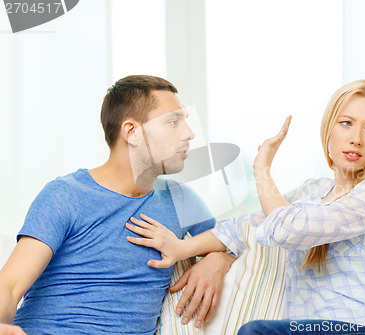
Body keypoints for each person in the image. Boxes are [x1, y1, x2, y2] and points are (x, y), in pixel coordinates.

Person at [124, 79, 365, 334]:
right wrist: (180, 248)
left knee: (257, 332)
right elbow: (245, 226)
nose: (356, 139)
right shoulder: (311, 193)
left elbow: (291, 228)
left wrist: (262, 168)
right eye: (347, 123)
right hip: (315, 327)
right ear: (329, 130)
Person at [0, 75, 235, 335]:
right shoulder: (66, 194)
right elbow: (10, 285)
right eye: (173, 122)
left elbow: (234, 236)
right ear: (131, 132)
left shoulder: (180, 200)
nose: (189, 134)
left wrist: (219, 260)